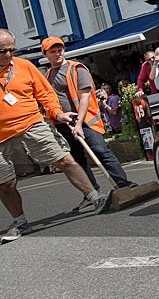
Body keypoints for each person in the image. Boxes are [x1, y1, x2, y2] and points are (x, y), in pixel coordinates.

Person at [0, 29, 106, 241]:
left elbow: (46, 94)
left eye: (12, 49)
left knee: (65, 160)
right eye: (3, 51)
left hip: (32, 124)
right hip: (2, 137)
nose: (9, 54)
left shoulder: (25, 66)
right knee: (5, 183)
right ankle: (20, 222)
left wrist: (57, 113)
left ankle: (95, 197)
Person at [41, 36, 135, 210]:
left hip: (85, 121)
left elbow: (84, 98)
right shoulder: (47, 76)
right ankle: (92, 194)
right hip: (64, 123)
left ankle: (124, 185)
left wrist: (78, 124)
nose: (58, 54)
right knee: (77, 160)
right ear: (45, 54)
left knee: (100, 150)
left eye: (60, 50)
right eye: (53, 51)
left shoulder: (77, 69)